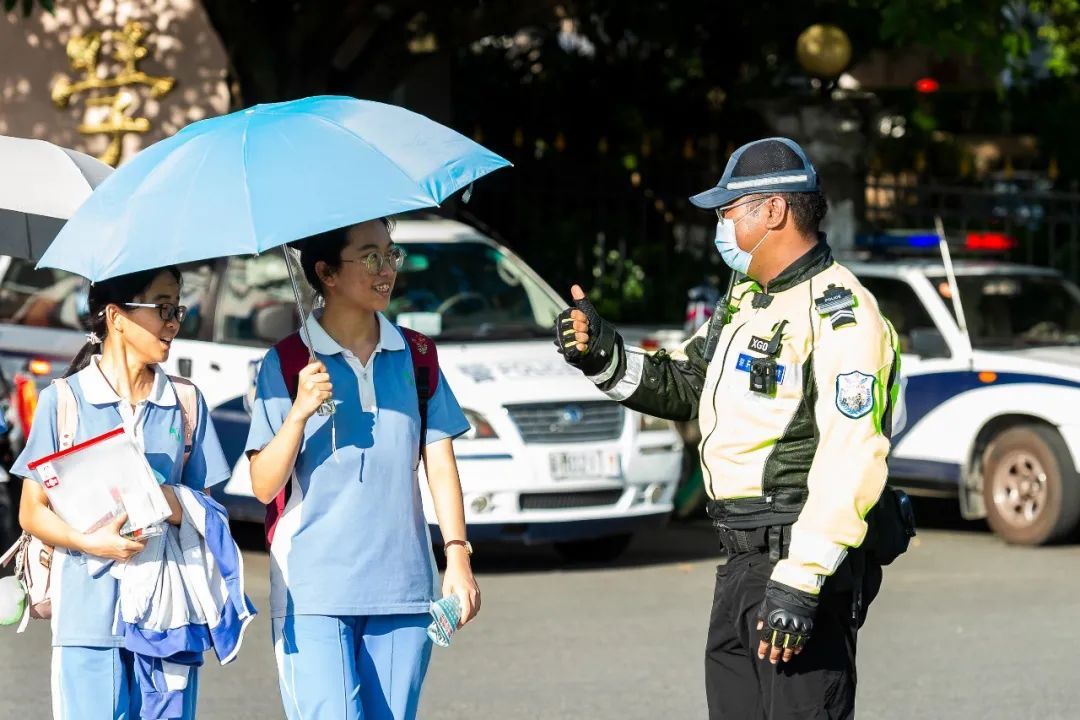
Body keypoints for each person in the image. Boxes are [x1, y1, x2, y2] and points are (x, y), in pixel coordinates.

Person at [556, 137, 903, 719]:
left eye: (727, 212)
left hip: (796, 562)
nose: (720, 227)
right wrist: (603, 355)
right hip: (740, 563)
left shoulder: (841, 312)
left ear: (773, 210)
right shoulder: (747, 299)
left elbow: (852, 455)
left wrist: (802, 581)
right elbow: (685, 382)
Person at [245, 218, 480, 720]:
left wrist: (457, 556)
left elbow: (438, 458)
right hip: (313, 590)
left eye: (390, 255)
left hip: (403, 587)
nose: (386, 270)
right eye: (370, 256)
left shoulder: (416, 355)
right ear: (327, 273)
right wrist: (299, 412)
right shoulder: (286, 363)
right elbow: (263, 485)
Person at [12, 266, 231, 720]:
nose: (173, 322)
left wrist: (163, 498)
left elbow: (208, 512)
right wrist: (90, 542)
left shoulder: (186, 402)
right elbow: (32, 511)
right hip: (88, 621)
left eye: (178, 309)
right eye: (164, 308)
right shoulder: (64, 400)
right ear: (115, 317)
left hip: (168, 620)